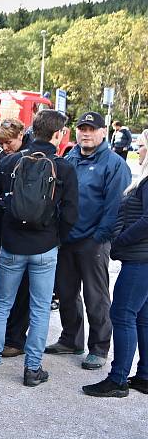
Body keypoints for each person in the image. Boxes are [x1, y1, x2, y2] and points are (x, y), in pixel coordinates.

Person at [0, 110, 79, 387]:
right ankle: (32, 369)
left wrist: (7, 216)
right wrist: (56, 237)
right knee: (40, 308)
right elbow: (70, 214)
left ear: (33, 131)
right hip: (45, 247)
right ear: (58, 135)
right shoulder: (64, 167)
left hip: (12, 245)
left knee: (1, 305)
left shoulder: (10, 161)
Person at [46, 111, 131, 370]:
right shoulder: (70, 158)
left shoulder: (115, 164)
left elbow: (116, 208)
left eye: (92, 129)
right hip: (67, 239)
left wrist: (99, 238)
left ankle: (99, 347)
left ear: (103, 132)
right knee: (67, 293)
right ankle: (71, 339)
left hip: (94, 241)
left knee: (96, 297)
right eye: (82, 128)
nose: (86, 133)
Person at [83, 128, 148, 397]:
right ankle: (144, 376)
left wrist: (119, 242)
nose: (138, 149)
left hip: (140, 259)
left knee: (122, 315)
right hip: (141, 258)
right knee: (142, 318)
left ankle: (118, 379)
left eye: (142, 145)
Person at [0, 118, 32, 358]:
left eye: (8, 141)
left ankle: (16, 338)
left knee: (22, 288)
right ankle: (6, 335)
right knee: (3, 286)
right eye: (0, 142)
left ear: (21, 135)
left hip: (24, 234)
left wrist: (9, 209)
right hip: (2, 231)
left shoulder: (32, 158)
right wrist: (2, 211)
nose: (4, 146)